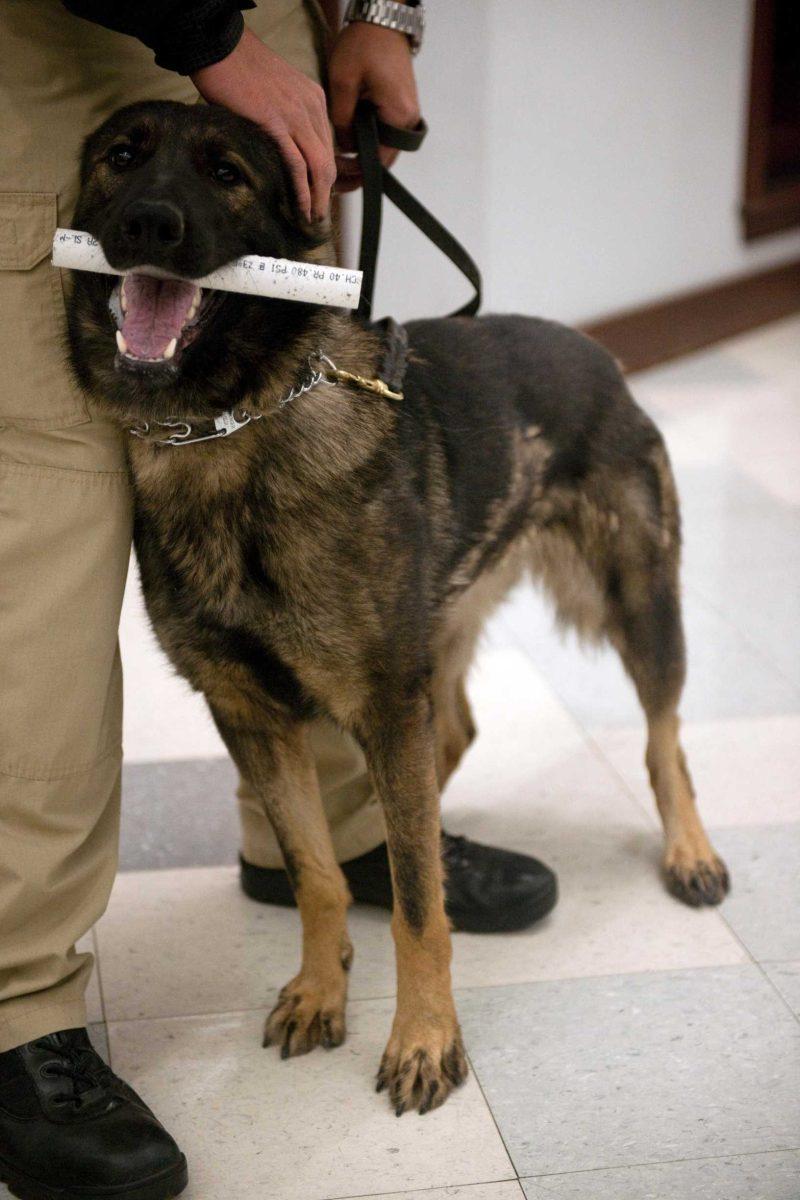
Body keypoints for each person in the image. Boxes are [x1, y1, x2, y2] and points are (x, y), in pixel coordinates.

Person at [0, 2, 558, 1196]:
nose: (161, 197)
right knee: (38, 575)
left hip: (276, 45)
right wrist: (205, 39)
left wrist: (378, 13)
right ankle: (21, 1004)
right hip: (65, 36)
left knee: (324, 510)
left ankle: (340, 852)